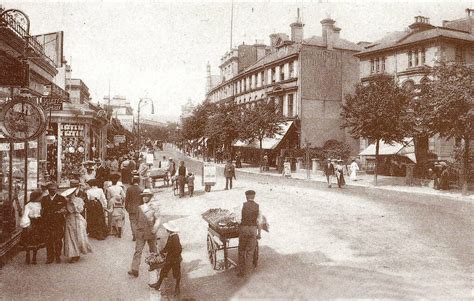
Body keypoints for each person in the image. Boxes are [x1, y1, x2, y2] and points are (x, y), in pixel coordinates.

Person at [128, 189, 161, 278]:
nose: (145, 198)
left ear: (150, 197)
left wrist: (155, 228)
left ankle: (154, 267)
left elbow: (158, 219)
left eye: (147, 196)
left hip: (150, 232)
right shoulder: (140, 208)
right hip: (141, 232)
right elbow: (135, 220)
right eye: (143, 196)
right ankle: (135, 269)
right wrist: (136, 230)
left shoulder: (154, 207)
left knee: (153, 250)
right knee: (138, 251)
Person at [149, 221, 182, 295]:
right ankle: (157, 285)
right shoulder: (171, 236)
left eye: (167, 229)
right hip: (171, 258)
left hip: (175, 259)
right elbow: (167, 247)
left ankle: (177, 288)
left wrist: (172, 257)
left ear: (170, 230)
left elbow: (179, 249)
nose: (166, 230)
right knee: (163, 271)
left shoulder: (175, 237)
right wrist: (162, 251)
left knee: (176, 274)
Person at [62, 187, 92, 263]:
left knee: (79, 236)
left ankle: (78, 252)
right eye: (69, 195)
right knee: (70, 237)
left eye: (72, 194)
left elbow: (80, 210)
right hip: (69, 219)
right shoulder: (66, 201)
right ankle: (73, 254)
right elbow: (67, 211)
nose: (70, 196)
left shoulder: (79, 200)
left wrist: (74, 204)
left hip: (78, 219)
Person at [40, 182, 67, 264]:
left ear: (57, 190)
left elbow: (65, 209)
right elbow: (42, 210)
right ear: (48, 190)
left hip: (58, 222)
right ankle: (49, 257)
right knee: (48, 240)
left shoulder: (61, 198)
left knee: (58, 239)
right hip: (47, 222)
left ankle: (58, 256)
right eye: (51, 190)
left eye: (54, 189)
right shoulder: (44, 199)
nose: (52, 191)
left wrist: (62, 211)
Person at [237, 190, 261, 277]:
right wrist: (259, 234)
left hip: (244, 229)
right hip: (253, 230)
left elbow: (238, 219)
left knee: (241, 251)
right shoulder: (258, 206)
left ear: (246, 197)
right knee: (250, 252)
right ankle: (248, 271)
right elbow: (259, 222)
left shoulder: (242, 205)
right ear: (254, 197)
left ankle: (241, 272)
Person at [19, 190, 44, 264]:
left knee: (36, 241)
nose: (41, 198)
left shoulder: (40, 204)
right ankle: (28, 255)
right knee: (29, 241)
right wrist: (26, 224)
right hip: (31, 223)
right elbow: (25, 215)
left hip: (38, 223)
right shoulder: (28, 205)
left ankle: (34, 257)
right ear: (37, 197)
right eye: (40, 196)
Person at [125, 176, 143, 241]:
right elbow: (143, 200)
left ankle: (134, 235)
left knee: (132, 222)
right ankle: (139, 235)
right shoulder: (141, 189)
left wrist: (126, 207)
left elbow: (126, 199)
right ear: (138, 181)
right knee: (138, 222)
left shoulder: (129, 189)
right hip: (139, 208)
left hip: (131, 208)